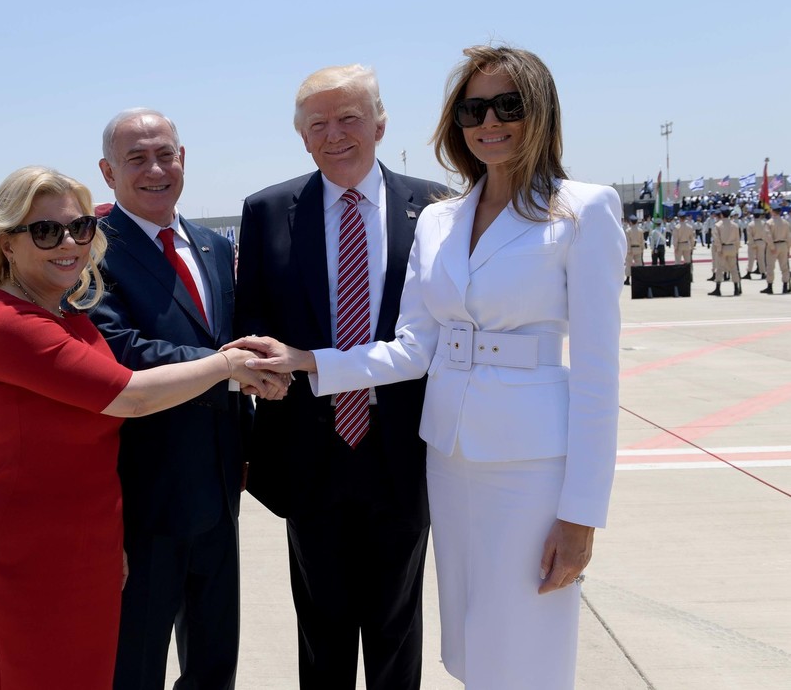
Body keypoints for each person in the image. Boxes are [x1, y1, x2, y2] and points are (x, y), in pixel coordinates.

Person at [233, 46, 626, 689]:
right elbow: (414, 346)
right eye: (474, 108)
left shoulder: (583, 209)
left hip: (528, 463)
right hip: (447, 457)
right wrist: (308, 361)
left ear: (541, 112)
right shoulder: (444, 218)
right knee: (469, 645)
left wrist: (581, 515)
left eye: (509, 105)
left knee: (528, 644)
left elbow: (597, 376)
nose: (489, 121)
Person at [0, 166, 283, 690]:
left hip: (93, 530)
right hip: (31, 541)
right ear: (7, 244)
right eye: (45, 231)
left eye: (80, 227)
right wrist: (228, 365)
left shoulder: (68, 314)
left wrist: (112, 541)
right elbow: (129, 395)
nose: (68, 243)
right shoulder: (9, 325)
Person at [234, 64, 449, 689]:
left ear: (380, 123)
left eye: (350, 117)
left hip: (404, 449)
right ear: (301, 137)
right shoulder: (268, 210)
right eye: (318, 123)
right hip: (310, 453)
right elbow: (251, 319)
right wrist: (257, 376)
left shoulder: (435, 208)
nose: (335, 134)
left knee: (397, 628)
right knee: (321, 632)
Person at [89, 110, 247, 689]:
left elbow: (229, 337)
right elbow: (120, 352)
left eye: (166, 155)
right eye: (136, 159)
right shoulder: (93, 252)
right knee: (137, 663)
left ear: (184, 160)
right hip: (145, 496)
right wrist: (229, 370)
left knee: (213, 661)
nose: (155, 169)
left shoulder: (211, 245)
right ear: (108, 172)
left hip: (221, 487)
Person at [709, 208, 741, 296]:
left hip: (723, 248)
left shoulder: (718, 225)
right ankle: (736, 288)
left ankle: (718, 289)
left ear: (722, 215)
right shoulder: (735, 225)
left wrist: (719, 249)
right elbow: (738, 239)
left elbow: (716, 239)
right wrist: (736, 249)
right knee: (734, 268)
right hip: (732, 247)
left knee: (719, 269)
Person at [765, 210, 790, 294]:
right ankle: (785, 286)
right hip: (783, 245)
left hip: (774, 245)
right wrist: (788, 248)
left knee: (770, 267)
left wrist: (771, 247)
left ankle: (770, 287)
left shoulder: (769, 222)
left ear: (772, 212)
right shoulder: (786, 223)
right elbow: (789, 236)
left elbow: (768, 236)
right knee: (784, 267)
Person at [623, 215, 643, 284]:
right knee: (638, 264)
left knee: (628, 264)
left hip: (631, 248)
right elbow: (642, 241)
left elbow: (628, 241)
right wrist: (642, 249)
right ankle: (639, 278)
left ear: (630, 222)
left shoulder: (628, 230)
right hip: (638, 248)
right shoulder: (640, 230)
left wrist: (628, 250)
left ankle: (628, 279)